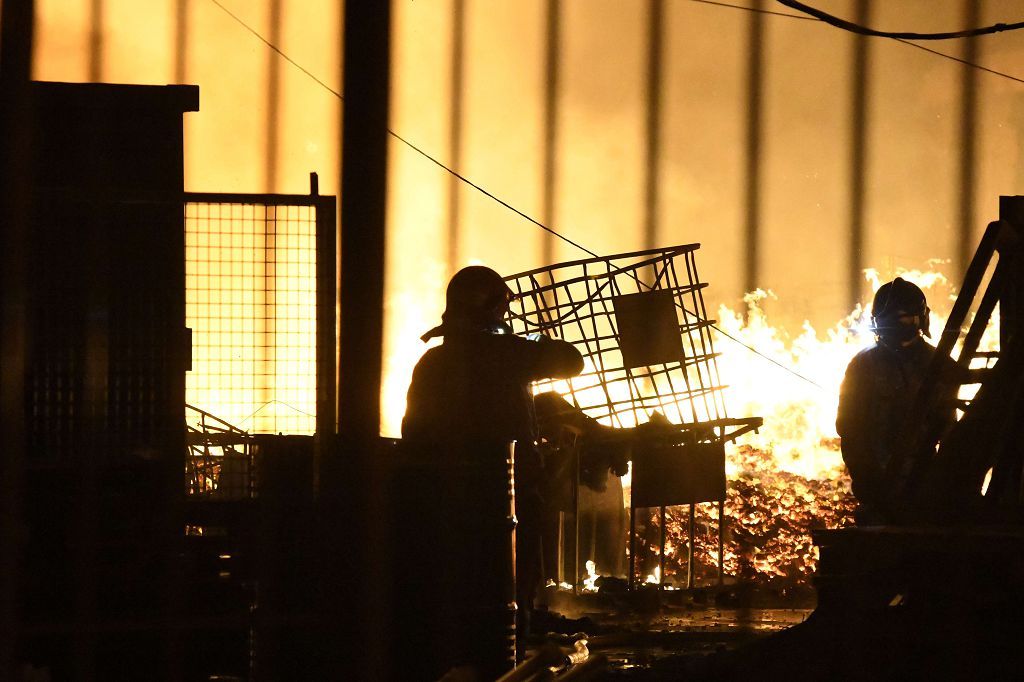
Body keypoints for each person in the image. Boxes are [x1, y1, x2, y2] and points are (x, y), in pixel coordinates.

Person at [402, 265, 584, 659]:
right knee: (510, 587)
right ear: (488, 306)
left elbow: (412, 432)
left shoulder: (432, 363)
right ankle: (507, 657)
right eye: (501, 304)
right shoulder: (506, 354)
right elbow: (572, 360)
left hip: (447, 496)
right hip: (508, 495)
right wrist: (525, 340)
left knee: (461, 587)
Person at [836, 277, 958, 524]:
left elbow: (948, 431)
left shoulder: (938, 365)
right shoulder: (864, 366)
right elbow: (850, 428)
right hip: (882, 487)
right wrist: (870, 481)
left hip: (923, 486)